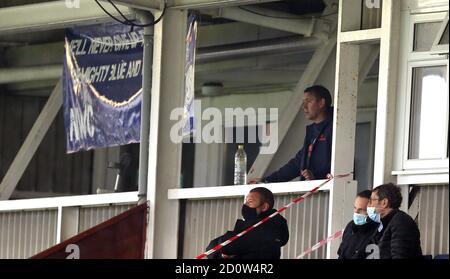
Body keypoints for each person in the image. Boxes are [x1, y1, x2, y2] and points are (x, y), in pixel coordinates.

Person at [250, 85, 333, 183]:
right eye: (303, 102)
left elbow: (339, 162)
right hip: (312, 192)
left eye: (308, 101)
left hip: (329, 190)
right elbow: (297, 163)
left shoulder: (335, 127)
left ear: (321, 103)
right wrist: (267, 180)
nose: (304, 106)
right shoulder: (312, 131)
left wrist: (317, 177)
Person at [205, 187, 289, 259]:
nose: (245, 205)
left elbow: (227, 246)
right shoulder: (253, 224)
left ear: (264, 207)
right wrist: (222, 254)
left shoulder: (266, 226)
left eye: (250, 202)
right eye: (245, 202)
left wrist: (223, 251)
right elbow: (210, 249)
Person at [367, 183, 423, 259]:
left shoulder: (401, 222)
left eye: (371, 201)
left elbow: (399, 255)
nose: (368, 206)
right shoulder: (381, 224)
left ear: (384, 202)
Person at [337, 190, 379, 259]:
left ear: (372, 211)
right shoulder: (351, 226)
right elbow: (341, 252)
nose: (356, 213)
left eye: (361, 210)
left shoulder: (377, 231)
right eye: (355, 208)